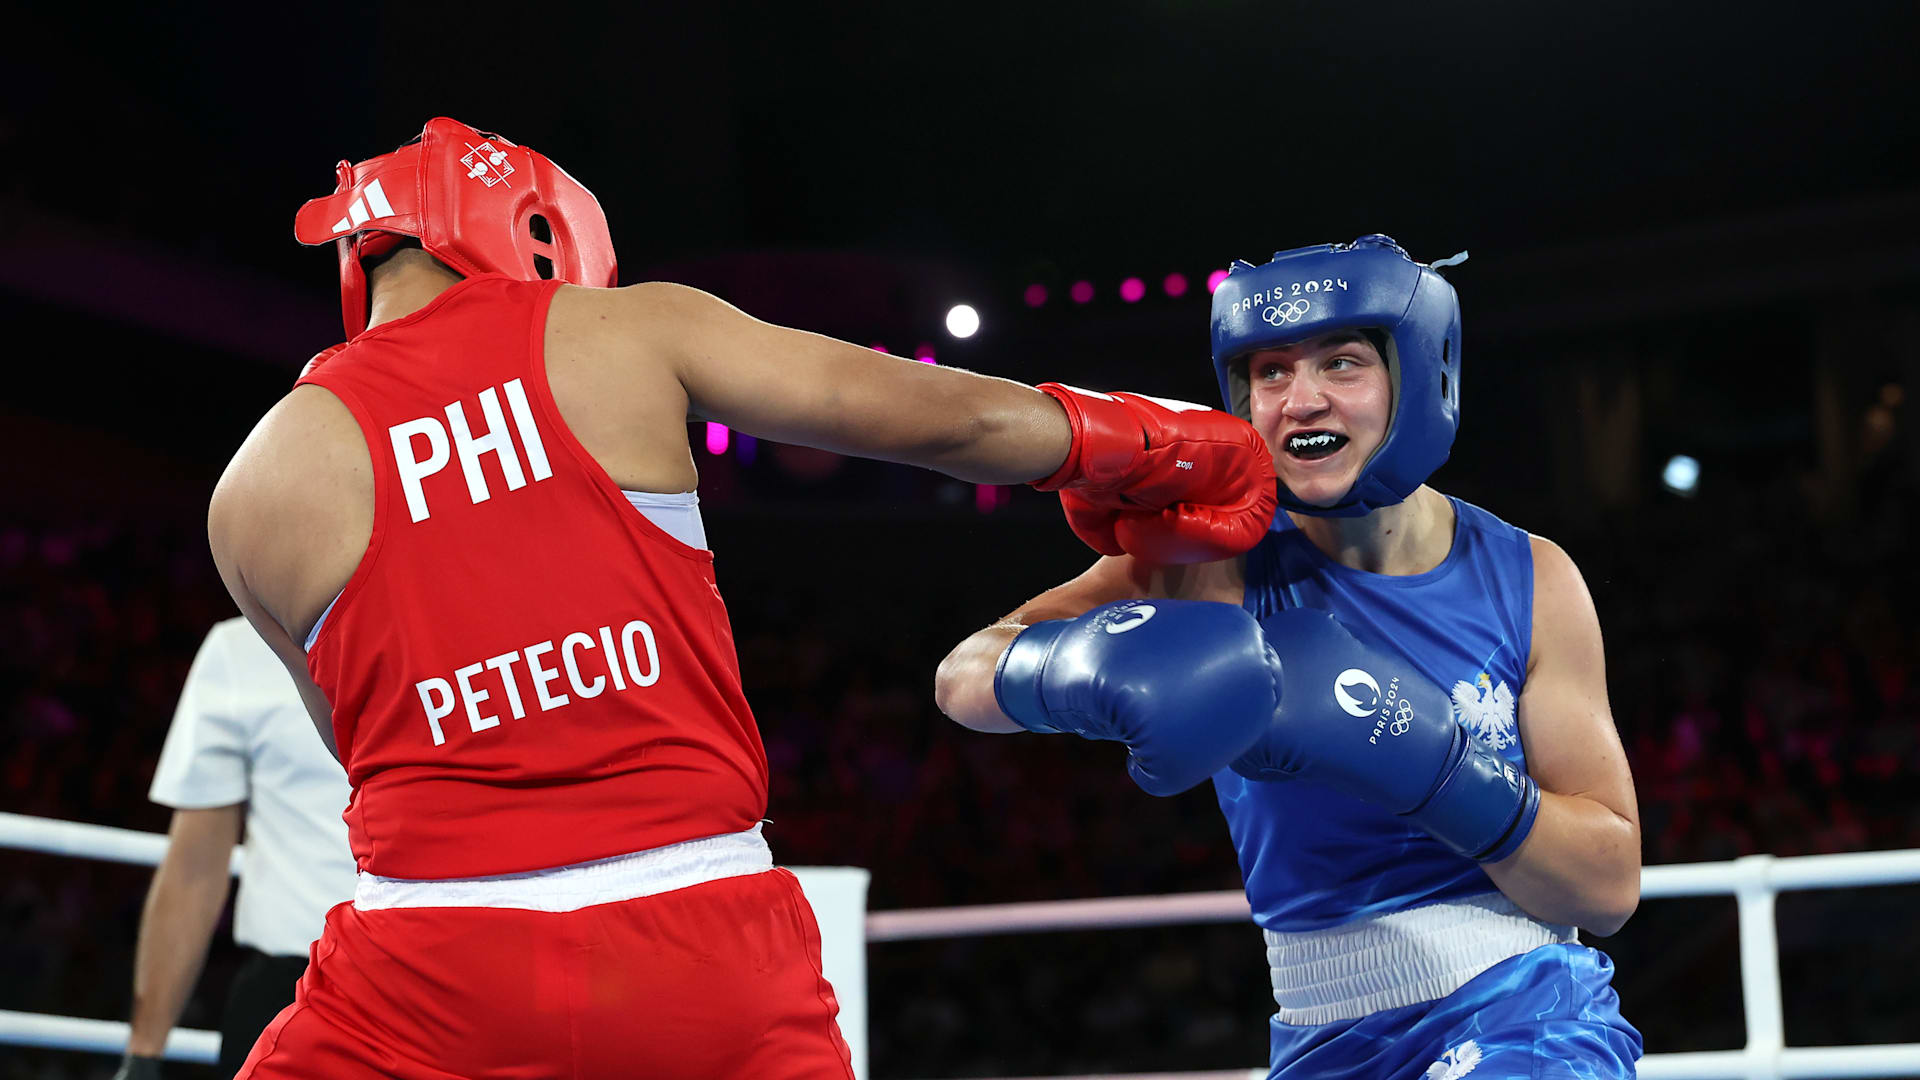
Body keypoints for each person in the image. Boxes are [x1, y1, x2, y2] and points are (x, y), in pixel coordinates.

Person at [205, 117, 1282, 1079]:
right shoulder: (619, 331)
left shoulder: (249, 490)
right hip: (701, 948)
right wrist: (1152, 447)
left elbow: (362, 745)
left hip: (425, 969)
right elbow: (952, 423)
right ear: (528, 226)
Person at [935, 235, 1645, 1078]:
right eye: (1269, 372)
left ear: (1416, 377)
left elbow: (1606, 889)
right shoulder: (1208, 562)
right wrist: (1080, 667)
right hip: (1318, 1033)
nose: (1299, 400)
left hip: (1525, 1010)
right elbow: (963, 675)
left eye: (1341, 364)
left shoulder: (1530, 574)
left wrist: (1434, 765)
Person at [115, 617, 354, 1080]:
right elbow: (194, 868)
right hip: (288, 989)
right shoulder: (239, 651)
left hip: (443, 970)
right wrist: (143, 1056)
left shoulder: (462, 620)